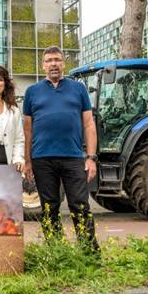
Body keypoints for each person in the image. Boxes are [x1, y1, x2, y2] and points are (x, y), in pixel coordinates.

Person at [23, 46, 99, 252]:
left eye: (57, 59)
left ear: (64, 63)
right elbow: (27, 130)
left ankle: (90, 253)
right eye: (49, 60)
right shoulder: (32, 92)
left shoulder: (78, 89)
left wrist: (91, 157)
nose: (53, 64)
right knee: (49, 207)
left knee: (80, 205)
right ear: (43, 65)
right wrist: (28, 161)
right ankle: (56, 252)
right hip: (42, 159)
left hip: (73, 157)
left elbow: (89, 124)